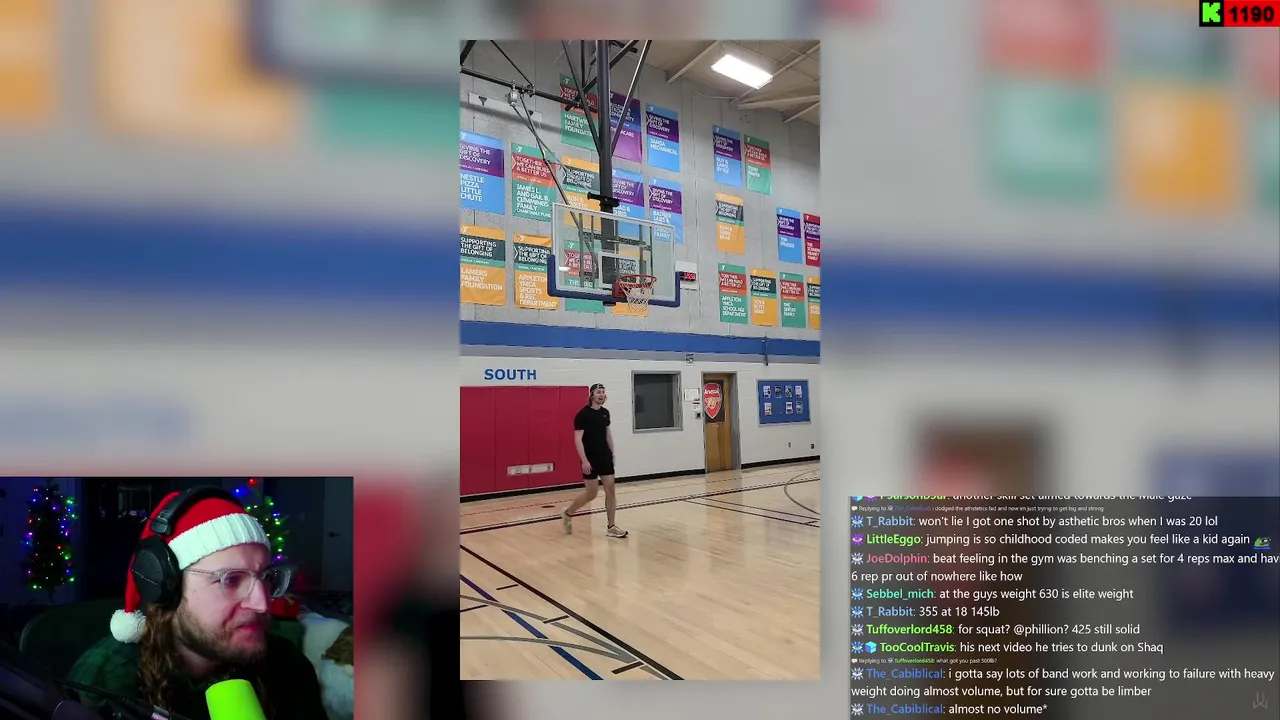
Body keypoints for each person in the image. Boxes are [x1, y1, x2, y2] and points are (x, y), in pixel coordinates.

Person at [67, 487, 327, 720]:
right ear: (168, 586)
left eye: (266, 577)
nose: (262, 603)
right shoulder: (106, 681)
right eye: (231, 580)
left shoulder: (288, 666)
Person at [562, 383, 628, 538]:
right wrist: (584, 461)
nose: (602, 394)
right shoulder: (583, 414)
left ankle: (611, 527)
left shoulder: (605, 413)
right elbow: (578, 440)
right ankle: (568, 513)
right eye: (599, 392)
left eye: (603, 392)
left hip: (605, 456)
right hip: (590, 458)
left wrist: (612, 454)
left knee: (610, 490)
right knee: (591, 493)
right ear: (592, 395)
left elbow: (608, 434)